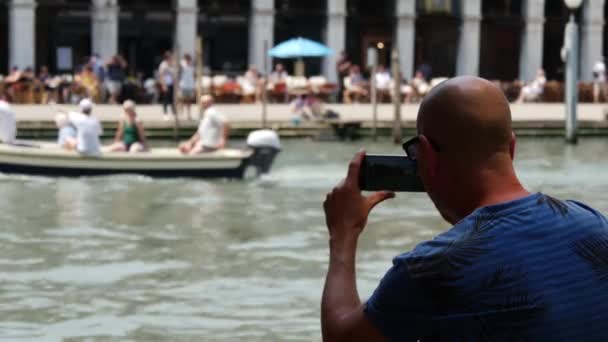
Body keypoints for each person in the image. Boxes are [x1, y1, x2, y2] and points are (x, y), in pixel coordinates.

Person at [321, 76, 608, 341]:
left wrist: (343, 234)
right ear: (511, 147)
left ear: (426, 155)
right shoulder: (596, 225)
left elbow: (341, 336)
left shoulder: (432, 267)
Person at [158, 51, 177, 120]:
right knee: (165, 99)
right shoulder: (163, 65)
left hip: (171, 84)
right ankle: (165, 113)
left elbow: (174, 75)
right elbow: (161, 75)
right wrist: (163, 85)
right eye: (170, 57)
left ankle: (174, 113)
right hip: (166, 84)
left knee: (172, 99)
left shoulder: (172, 64)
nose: (171, 58)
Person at [179, 53, 196, 119]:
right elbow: (179, 73)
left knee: (189, 100)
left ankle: (188, 114)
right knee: (182, 99)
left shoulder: (192, 65)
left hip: (190, 85)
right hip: (183, 84)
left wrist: (194, 84)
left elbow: (194, 74)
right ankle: (181, 112)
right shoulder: (182, 64)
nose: (188, 60)